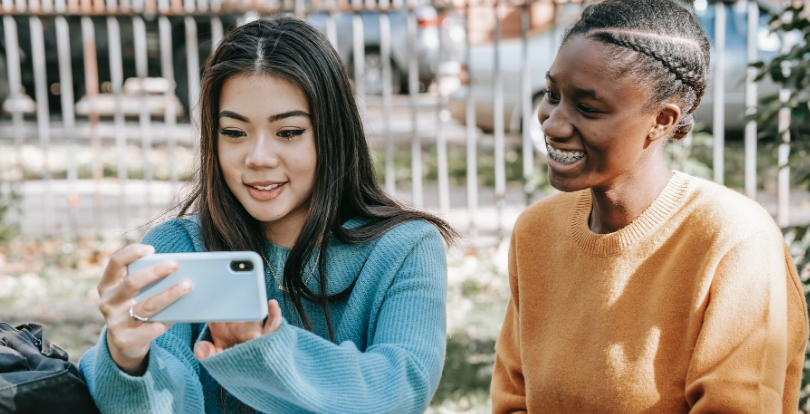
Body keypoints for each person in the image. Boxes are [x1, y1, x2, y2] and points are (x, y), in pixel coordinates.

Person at [79, 16, 456, 414]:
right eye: (235, 133)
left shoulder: (405, 247)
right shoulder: (177, 249)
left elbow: (399, 389)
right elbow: (168, 401)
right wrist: (127, 361)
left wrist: (269, 350)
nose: (258, 158)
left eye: (288, 132)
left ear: (333, 134)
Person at [490, 0, 809, 412]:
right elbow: (513, 399)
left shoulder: (735, 239)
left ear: (661, 120)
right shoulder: (536, 231)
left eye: (588, 108)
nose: (552, 123)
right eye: (553, 94)